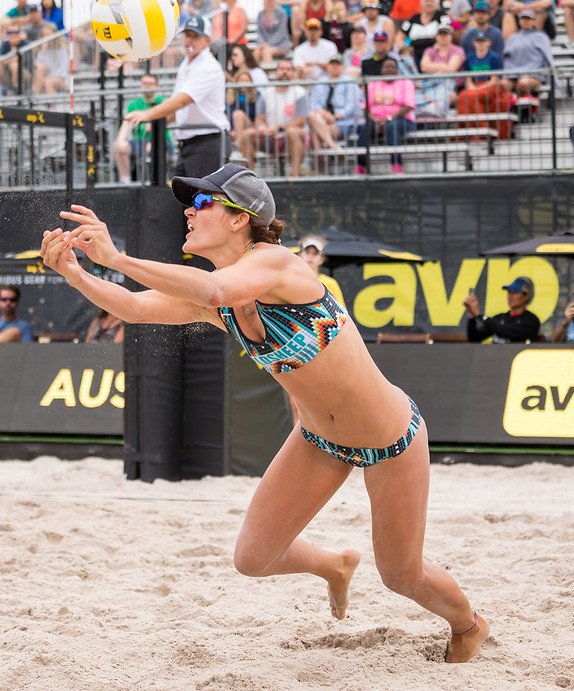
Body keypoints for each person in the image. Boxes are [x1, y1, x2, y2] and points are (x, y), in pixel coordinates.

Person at [40, 162, 489, 663]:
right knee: (253, 559)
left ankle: (468, 624)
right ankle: (335, 565)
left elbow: (213, 290)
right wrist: (75, 274)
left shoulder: (278, 265)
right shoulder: (220, 296)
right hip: (320, 439)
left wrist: (117, 256)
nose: (189, 210)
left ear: (239, 219)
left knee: (401, 575)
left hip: (392, 437)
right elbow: (133, 307)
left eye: (203, 202)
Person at [126, 15, 230, 179]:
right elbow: (181, 106)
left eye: (195, 36)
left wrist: (147, 115)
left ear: (207, 40)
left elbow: (183, 100)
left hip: (208, 143)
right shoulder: (187, 64)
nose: (189, 40)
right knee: (184, 198)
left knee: (201, 201)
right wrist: (157, 124)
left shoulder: (208, 66)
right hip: (192, 144)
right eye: (187, 35)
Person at [355, 56, 415, 174]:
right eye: (387, 67)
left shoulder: (405, 83)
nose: (389, 70)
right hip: (376, 119)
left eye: (393, 67)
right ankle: (361, 165)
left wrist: (389, 118)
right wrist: (375, 119)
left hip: (401, 119)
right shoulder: (373, 84)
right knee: (364, 128)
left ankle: (396, 164)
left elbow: (408, 106)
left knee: (392, 126)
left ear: (397, 70)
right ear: (381, 70)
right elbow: (365, 107)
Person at [113, 73, 171, 184]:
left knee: (160, 149)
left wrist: (154, 142)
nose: (147, 86)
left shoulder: (163, 103)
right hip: (138, 142)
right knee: (118, 146)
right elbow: (127, 124)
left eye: (150, 83)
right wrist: (121, 140)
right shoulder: (134, 104)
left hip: (162, 141)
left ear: (156, 86)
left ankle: (161, 181)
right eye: (144, 83)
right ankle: (125, 181)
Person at [463, 276, 541, 343]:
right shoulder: (500, 318)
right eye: (509, 292)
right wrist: (471, 318)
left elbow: (508, 332)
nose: (510, 296)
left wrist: (480, 316)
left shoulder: (531, 320)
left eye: (515, 292)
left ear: (526, 296)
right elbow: (474, 339)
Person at [308, 54, 361, 150]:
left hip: (344, 122)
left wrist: (336, 116)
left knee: (314, 133)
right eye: (332, 64)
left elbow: (353, 105)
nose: (334, 66)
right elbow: (313, 104)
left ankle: (323, 161)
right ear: (327, 66)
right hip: (322, 120)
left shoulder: (350, 82)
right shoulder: (321, 82)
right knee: (313, 116)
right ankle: (333, 147)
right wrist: (324, 114)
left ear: (342, 67)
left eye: (337, 64)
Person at [254, 0, 293, 65]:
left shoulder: (281, 13)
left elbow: (281, 32)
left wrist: (268, 44)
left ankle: (267, 73)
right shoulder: (260, 14)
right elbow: (259, 32)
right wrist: (262, 44)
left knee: (267, 52)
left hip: (280, 44)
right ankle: (255, 74)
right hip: (264, 45)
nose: (269, 2)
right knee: (256, 52)